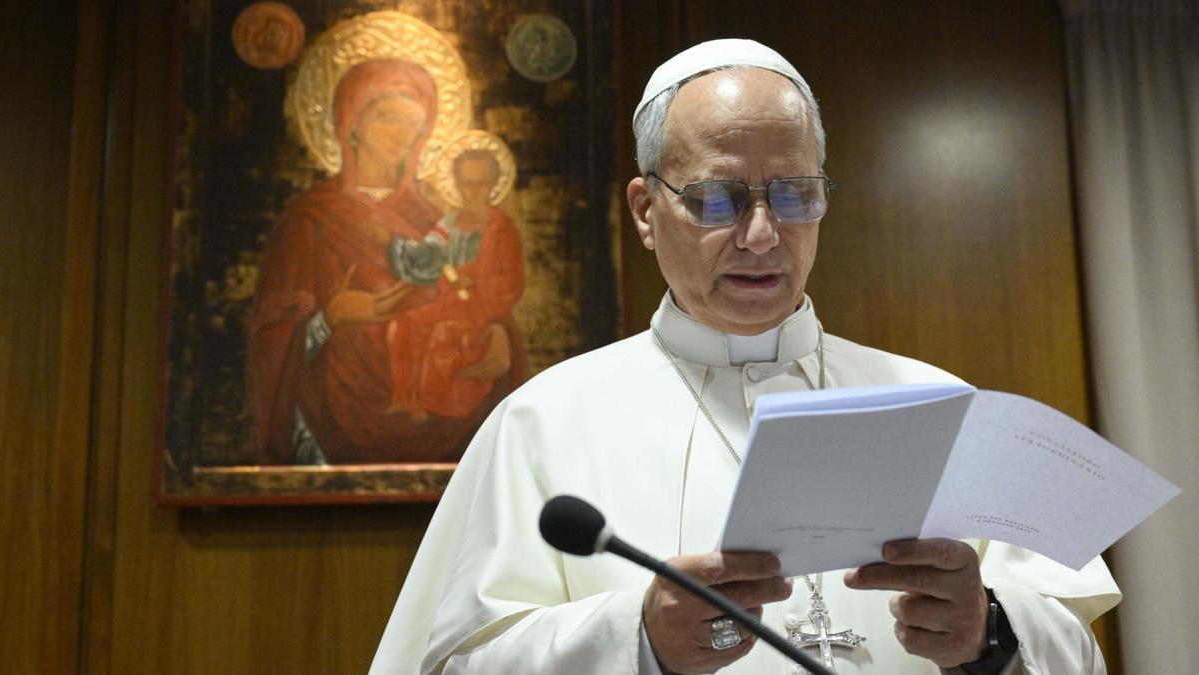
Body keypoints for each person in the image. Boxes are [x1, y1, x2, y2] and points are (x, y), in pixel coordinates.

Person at [370, 40, 1120, 674]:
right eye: (719, 199)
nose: (763, 234)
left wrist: (989, 629)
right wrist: (635, 636)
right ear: (644, 210)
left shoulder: (947, 401)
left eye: (794, 195)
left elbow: (1081, 647)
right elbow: (452, 661)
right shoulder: (536, 421)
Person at [248, 58, 495, 464]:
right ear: (352, 120)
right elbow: (270, 340)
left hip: (436, 415)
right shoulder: (309, 220)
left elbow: (474, 300)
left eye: (413, 122)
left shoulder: (435, 219)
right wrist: (331, 318)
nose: (402, 133)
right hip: (330, 416)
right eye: (387, 117)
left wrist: (494, 333)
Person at [385, 148, 526, 420]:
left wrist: (472, 278)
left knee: (443, 334)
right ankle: (404, 398)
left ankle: (430, 404)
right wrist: (396, 244)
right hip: (447, 303)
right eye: (466, 183)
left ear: (493, 184)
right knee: (400, 327)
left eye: (480, 184)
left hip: (483, 311)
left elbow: (511, 283)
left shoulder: (500, 229)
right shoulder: (449, 223)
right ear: (457, 185)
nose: (472, 191)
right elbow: (429, 255)